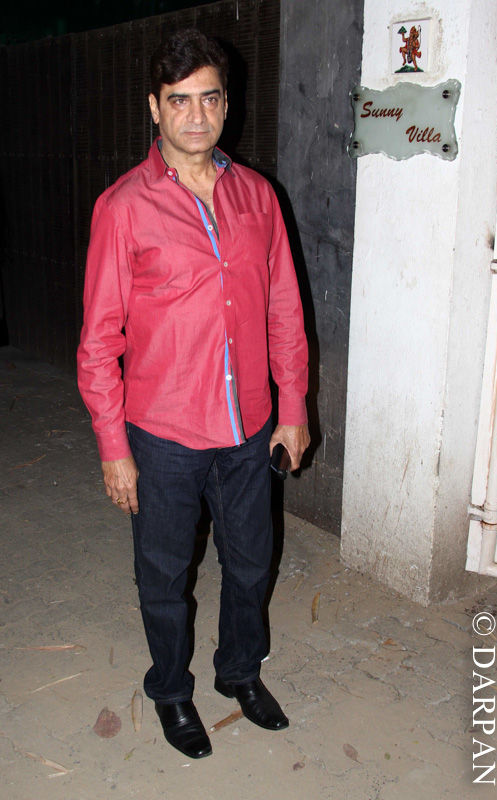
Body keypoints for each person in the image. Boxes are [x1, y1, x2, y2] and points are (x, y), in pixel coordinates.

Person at [77, 28, 309, 760]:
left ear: (227, 104)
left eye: (209, 98)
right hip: (165, 435)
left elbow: (284, 310)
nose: (196, 115)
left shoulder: (258, 197)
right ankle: (171, 689)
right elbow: (98, 341)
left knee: (250, 563)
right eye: (179, 101)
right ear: (155, 108)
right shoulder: (124, 207)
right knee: (164, 574)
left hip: (249, 429)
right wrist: (114, 448)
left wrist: (294, 408)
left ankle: (239, 672)